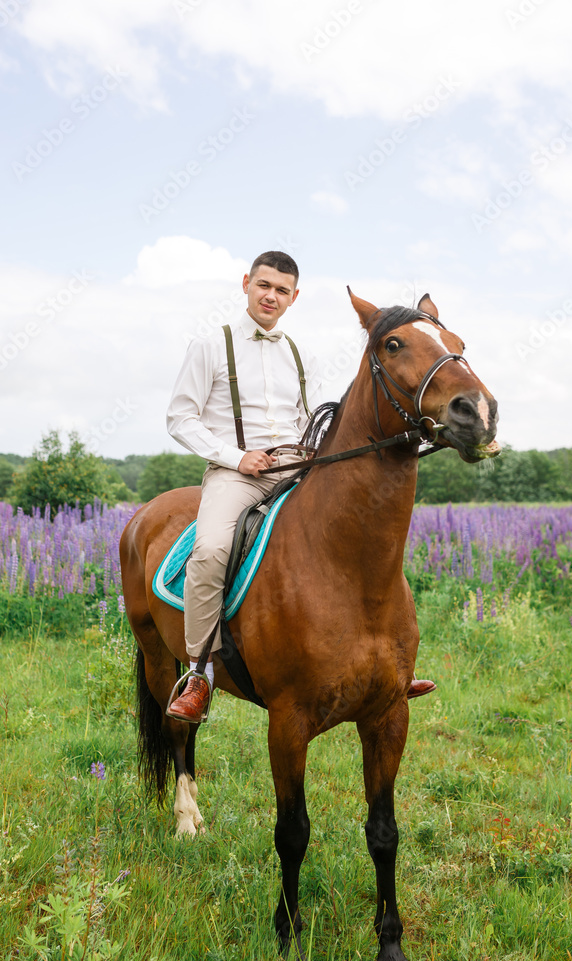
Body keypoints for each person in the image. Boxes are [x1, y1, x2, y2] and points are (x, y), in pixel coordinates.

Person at [165, 250, 435, 723]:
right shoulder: (210, 344)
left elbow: (314, 420)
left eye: (282, 290)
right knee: (209, 550)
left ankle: (386, 666)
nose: (271, 295)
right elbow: (180, 418)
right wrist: (236, 457)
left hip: (299, 467)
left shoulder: (299, 353)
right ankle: (199, 674)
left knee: (364, 540)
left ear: (294, 298)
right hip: (237, 474)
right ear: (247, 283)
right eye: (264, 285)